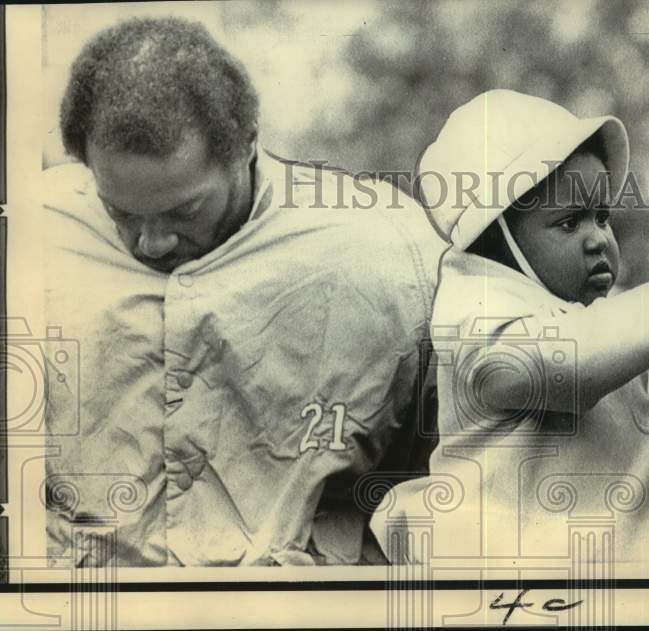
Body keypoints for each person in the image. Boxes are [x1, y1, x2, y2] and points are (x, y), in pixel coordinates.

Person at [41, 16, 445, 566]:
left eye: (185, 211)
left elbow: (453, 470)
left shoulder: (393, 252)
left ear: (246, 144)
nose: (152, 242)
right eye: (120, 213)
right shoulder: (30, 237)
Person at [369, 90, 649, 564]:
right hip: (511, 568)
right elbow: (569, 363)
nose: (599, 238)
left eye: (602, 216)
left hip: (604, 553)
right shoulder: (475, 318)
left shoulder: (588, 316)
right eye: (569, 223)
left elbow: (619, 348)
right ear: (497, 240)